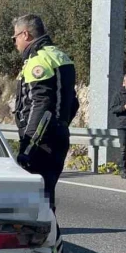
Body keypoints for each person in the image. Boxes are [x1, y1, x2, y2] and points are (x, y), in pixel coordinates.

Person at [11, 14, 77, 214]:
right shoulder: (60, 56)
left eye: (15, 37)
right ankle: (49, 238)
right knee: (46, 196)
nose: (15, 42)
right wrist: (61, 124)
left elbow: (40, 104)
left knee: (32, 201)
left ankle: (39, 241)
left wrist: (29, 144)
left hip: (41, 141)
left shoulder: (38, 60)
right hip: (58, 136)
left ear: (26, 34)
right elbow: (73, 102)